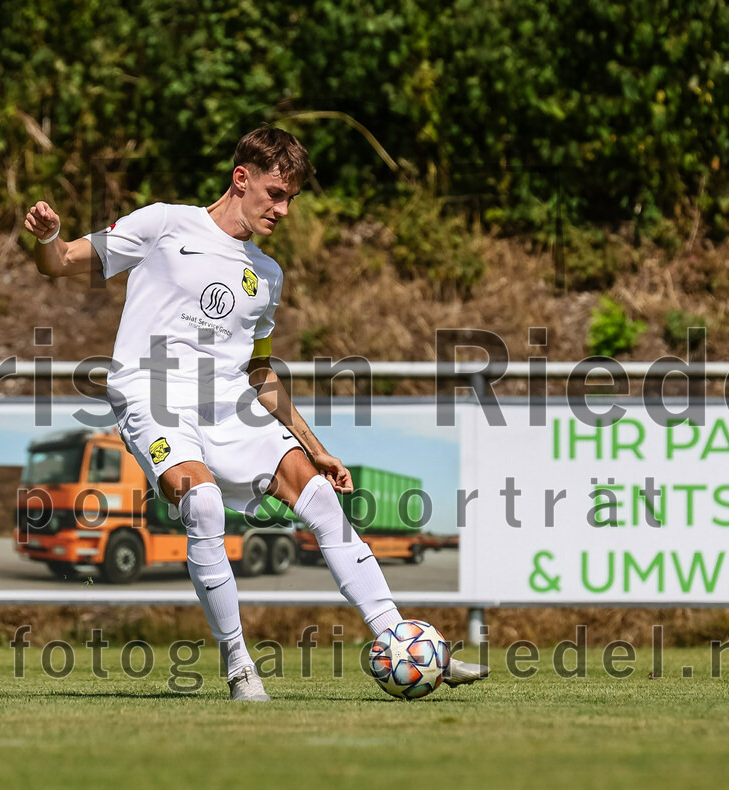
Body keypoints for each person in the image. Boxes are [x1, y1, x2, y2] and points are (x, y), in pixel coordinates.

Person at [24, 126, 488, 700]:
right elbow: (59, 263)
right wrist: (50, 236)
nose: (284, 210)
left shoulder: (266, 275)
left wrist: (316, 449)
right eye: (276, 193)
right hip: (153, 396)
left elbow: (260, 373)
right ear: (241, 178)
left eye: (292, 198)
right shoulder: (164, 224)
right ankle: (240, 666)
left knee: (322, 500)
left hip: (228, 403)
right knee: (202, 503)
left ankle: (404, 643)